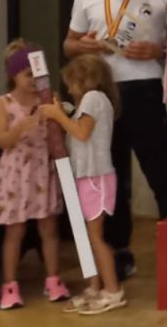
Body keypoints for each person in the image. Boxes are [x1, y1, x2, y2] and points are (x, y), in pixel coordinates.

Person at [64, 0, 167, 279]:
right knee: (108, 176)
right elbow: (68, 45)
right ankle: (118, 253)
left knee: (163, 172)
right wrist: (80, 46)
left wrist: (158, 49)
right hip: (99, 95)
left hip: (144, 90)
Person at [41, 54, 126, 315]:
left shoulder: (93, 98)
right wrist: (63, 110)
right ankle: (94, 284)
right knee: (87, 235)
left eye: (72, 82)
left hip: (96, 177)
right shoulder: (90, 102)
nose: (69, 88)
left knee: (95, 236)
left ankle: (112, 290)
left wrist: (57, 113)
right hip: (86, 176)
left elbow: (81, 132)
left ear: (85, 79)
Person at [0, 40, 68, 310]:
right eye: (28, 75)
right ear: (14, 75)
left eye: (37, 74)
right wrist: (21, 127)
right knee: (15, 230)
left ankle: (54, 280)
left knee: (49, 227)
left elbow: (60, 133)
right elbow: (1, 140)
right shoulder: (4, 104)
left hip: (41, 172)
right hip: (15, 175)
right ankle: (10, 286)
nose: (34, 80)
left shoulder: (47, 100)